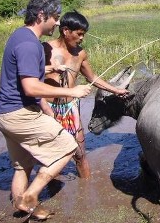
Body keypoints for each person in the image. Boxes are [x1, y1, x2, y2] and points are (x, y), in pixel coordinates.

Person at [0, 0, 92, 221]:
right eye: (55, 17)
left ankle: (22, 206)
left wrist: (49, 70)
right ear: (41, 15)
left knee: (22, 166)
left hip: (3, 113)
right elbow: (31, 88)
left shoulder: (19, 36)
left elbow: (23, 74)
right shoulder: (32, 45)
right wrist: (71, 91)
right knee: (67, 146)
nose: (57, 23)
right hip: (19, 113)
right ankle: (31, 196)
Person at [42, 10, 129, 179]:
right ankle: (52, 187)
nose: (82, 38)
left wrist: (115, 90)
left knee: (80, 154)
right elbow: (30, 79)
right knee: (50, 156)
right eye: (79, 34)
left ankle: (86, 188)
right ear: (66, 31)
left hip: (70, 108)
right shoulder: (45, 49)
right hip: (48, 109)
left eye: (84, 34)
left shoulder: (80, 53)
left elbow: (92, 77)